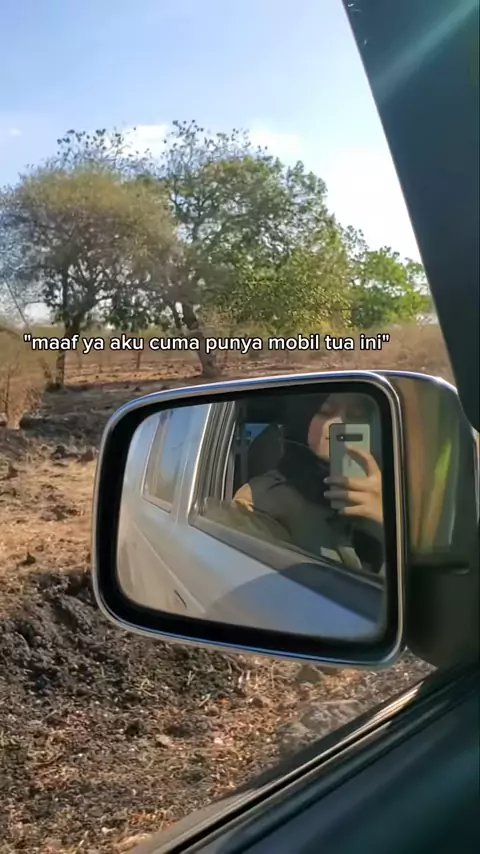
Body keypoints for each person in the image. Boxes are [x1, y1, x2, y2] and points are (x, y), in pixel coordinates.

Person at [231, 392, 385, 575]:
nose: (341, 425)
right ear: (301, 417)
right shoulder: (261, 501)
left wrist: (388, 519)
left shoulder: (384, 487)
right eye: (325, 411)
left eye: (357, 415)